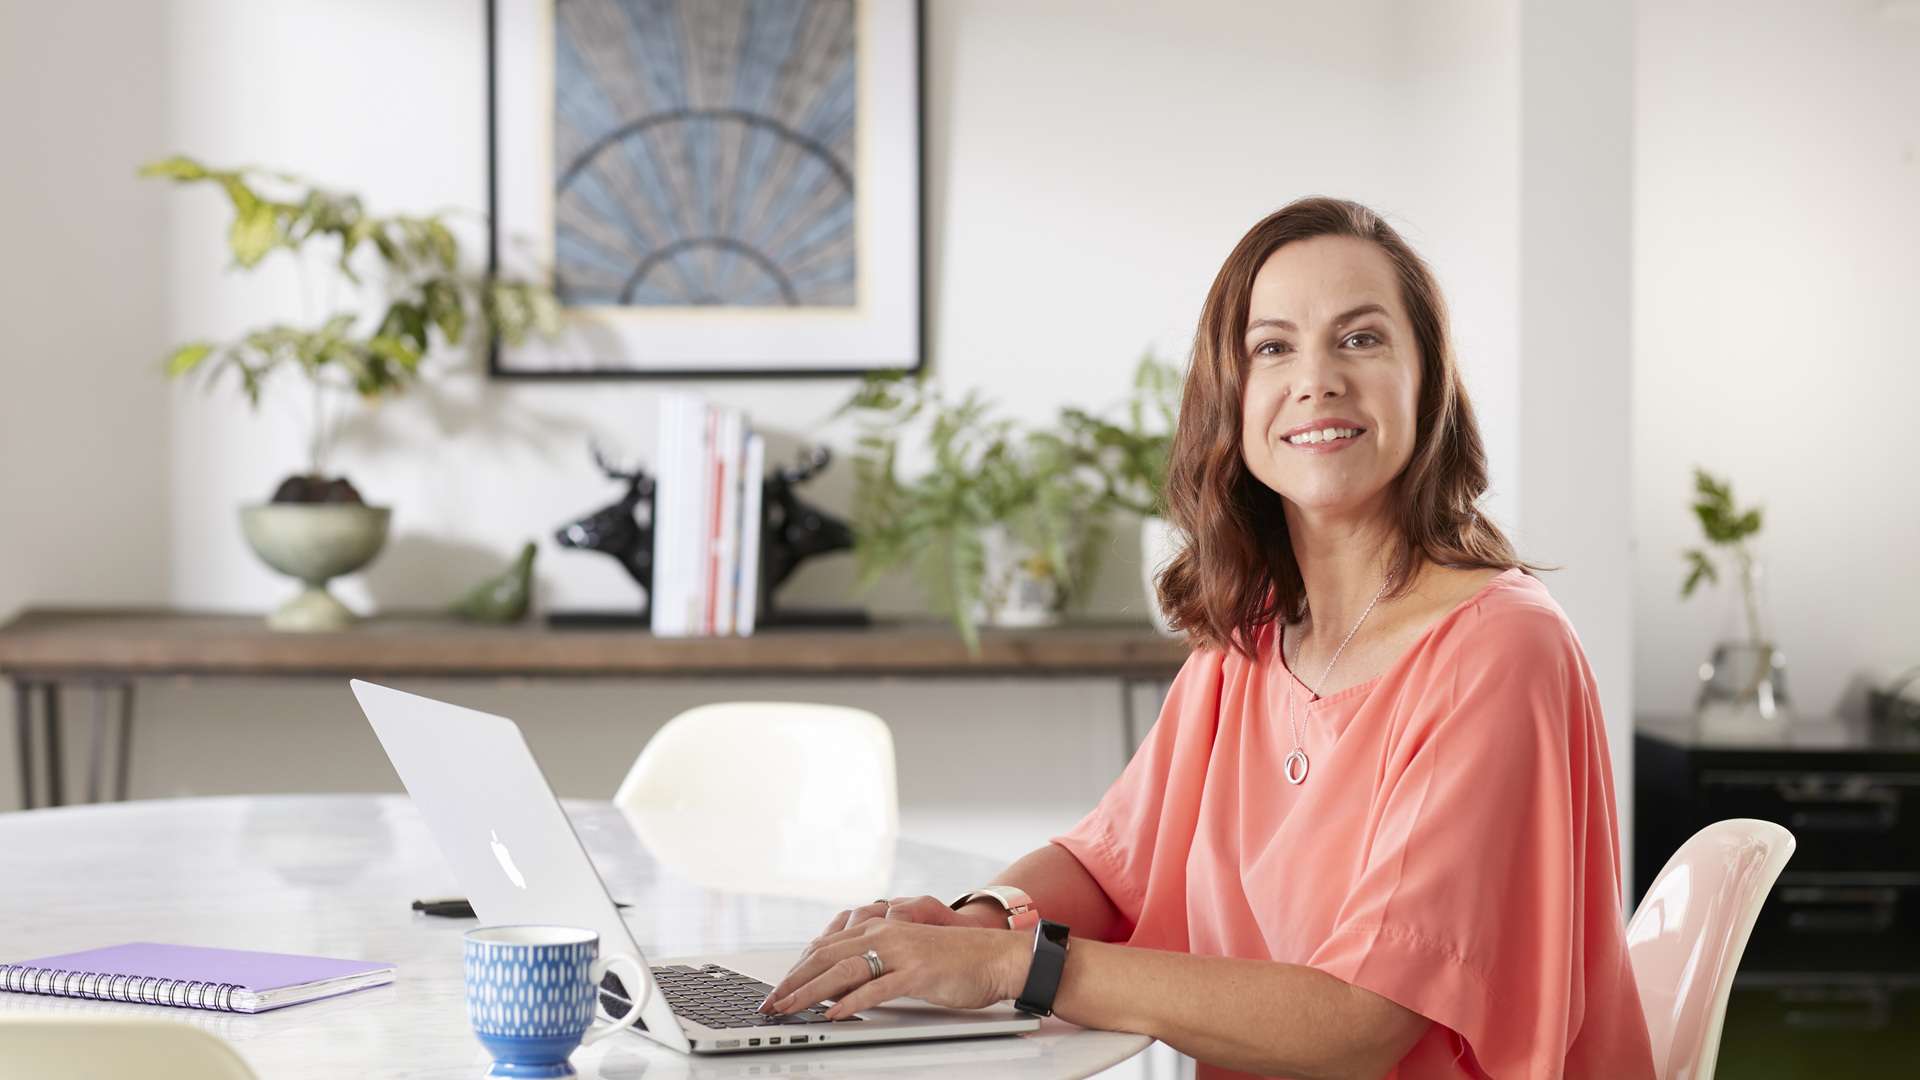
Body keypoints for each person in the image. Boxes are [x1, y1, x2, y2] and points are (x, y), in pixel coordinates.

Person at [757, 196, 1657, 1079]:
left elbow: (1361, 1022)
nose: (1317, 378)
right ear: (1233, 397)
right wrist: (976, 922)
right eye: (1273, 347)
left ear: (1430, 382)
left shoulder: (1499, 649)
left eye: (1362, 338)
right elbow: (1110, 865)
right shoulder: (1248, 642)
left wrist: (1013, 968)